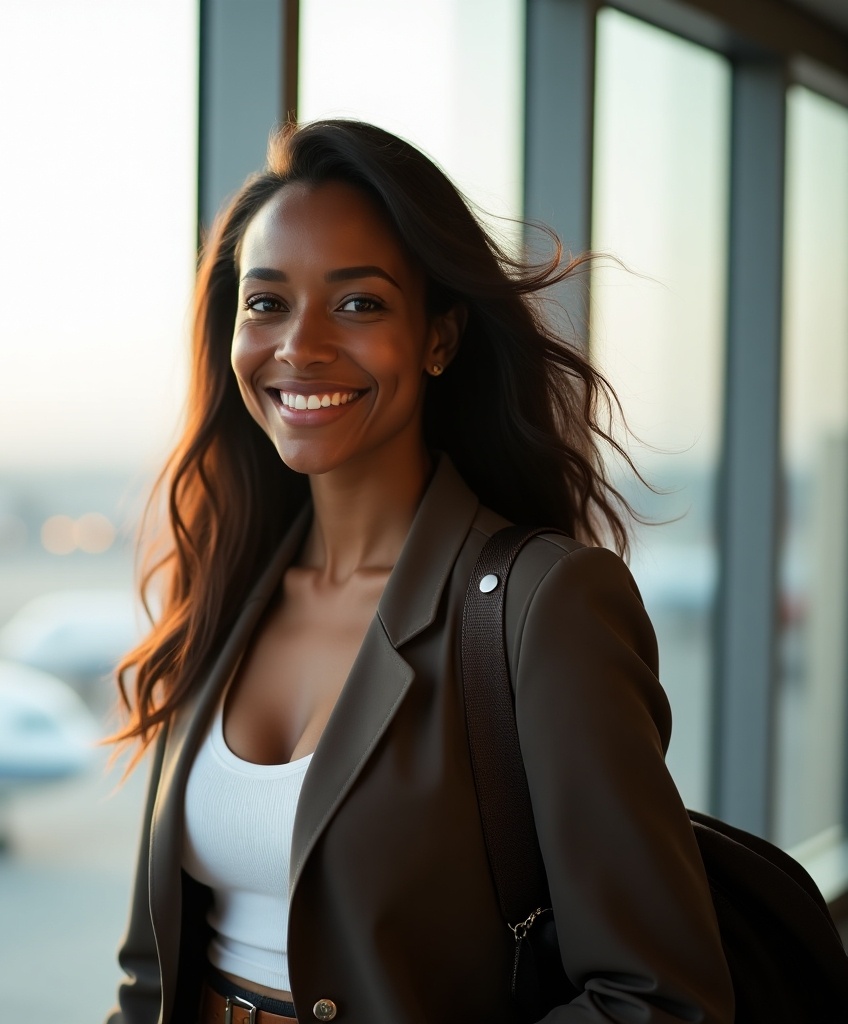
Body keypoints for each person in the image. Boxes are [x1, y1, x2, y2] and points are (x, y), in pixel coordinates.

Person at [104, 119, 734, 1024]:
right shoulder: (224, 587)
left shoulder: (542, 604)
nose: (300, 345)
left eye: (358, 304)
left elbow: (659, 998)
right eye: (266, 302)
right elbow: (148, 979)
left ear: (438, 338)